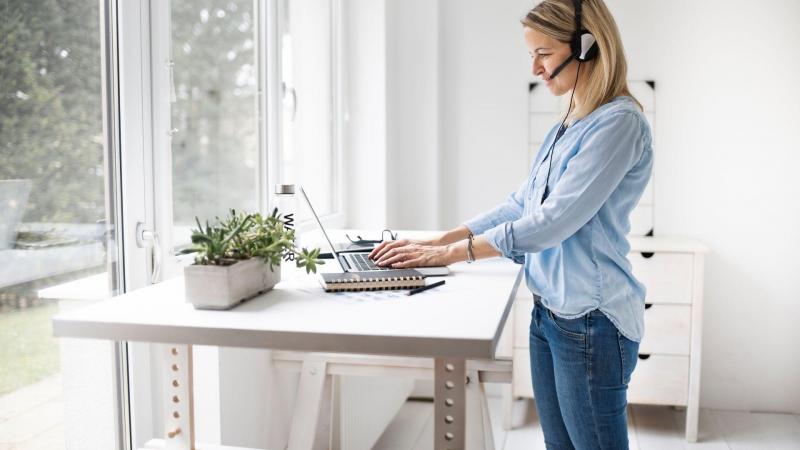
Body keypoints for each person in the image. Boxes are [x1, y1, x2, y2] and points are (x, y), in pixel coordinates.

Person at [369, 0, 652, 448]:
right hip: (550, 314)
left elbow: (551, 222)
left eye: (543, 53)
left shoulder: (619, 123)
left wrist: (450, 255)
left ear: (587, 46)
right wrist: (437, 239)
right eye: (531, 56)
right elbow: (522, 204)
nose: (536, 68)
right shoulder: (570, 123)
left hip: (592, 322)